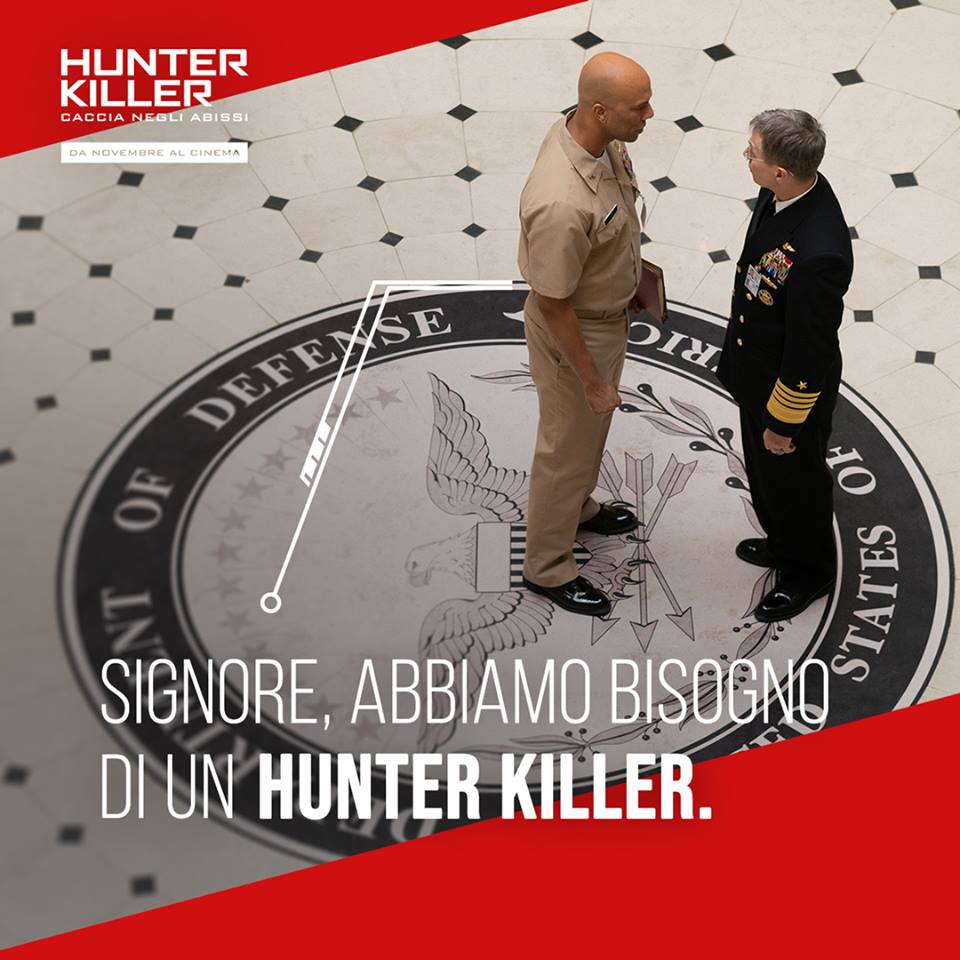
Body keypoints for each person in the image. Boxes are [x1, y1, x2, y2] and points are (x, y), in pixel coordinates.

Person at [517, 52, 656, 617]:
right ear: (599, 111)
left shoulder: (597, 141)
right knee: (565, 450)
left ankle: (577, 510)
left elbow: (611, 225)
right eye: (638, 107)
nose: (649, 115)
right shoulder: (561, 201)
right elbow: (553, 303)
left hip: (604, 318)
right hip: (576, 333)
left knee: (586, 439)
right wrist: (593, 380)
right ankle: (547, 565)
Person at [716, 108, 853, 622]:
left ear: (780, 171)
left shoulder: (820, 253)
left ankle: (809, 570)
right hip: (757, 373)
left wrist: (783, 421)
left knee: (798, 486)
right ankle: (781, 541)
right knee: (767, 478)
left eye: (752, 152)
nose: (745, 156)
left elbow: (808, 350)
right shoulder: (786, 192)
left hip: (786, 393)